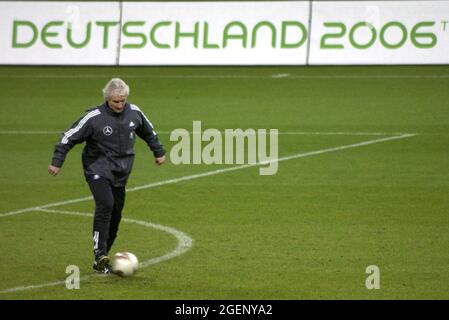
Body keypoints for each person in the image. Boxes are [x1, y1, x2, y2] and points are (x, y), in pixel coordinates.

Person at [48, 78, 166, 274]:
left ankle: (102, 260)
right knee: (106, 204)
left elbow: (149, 132)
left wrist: (158, 151)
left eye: (123, 101)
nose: (120, 105)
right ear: (107, 99)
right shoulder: (94, 118)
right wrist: (57, 161)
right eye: (115, 102)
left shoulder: (134, 112)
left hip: (121, 172)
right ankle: (99, 253)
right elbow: (68, 137)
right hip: (97, 169)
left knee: (116, 214)